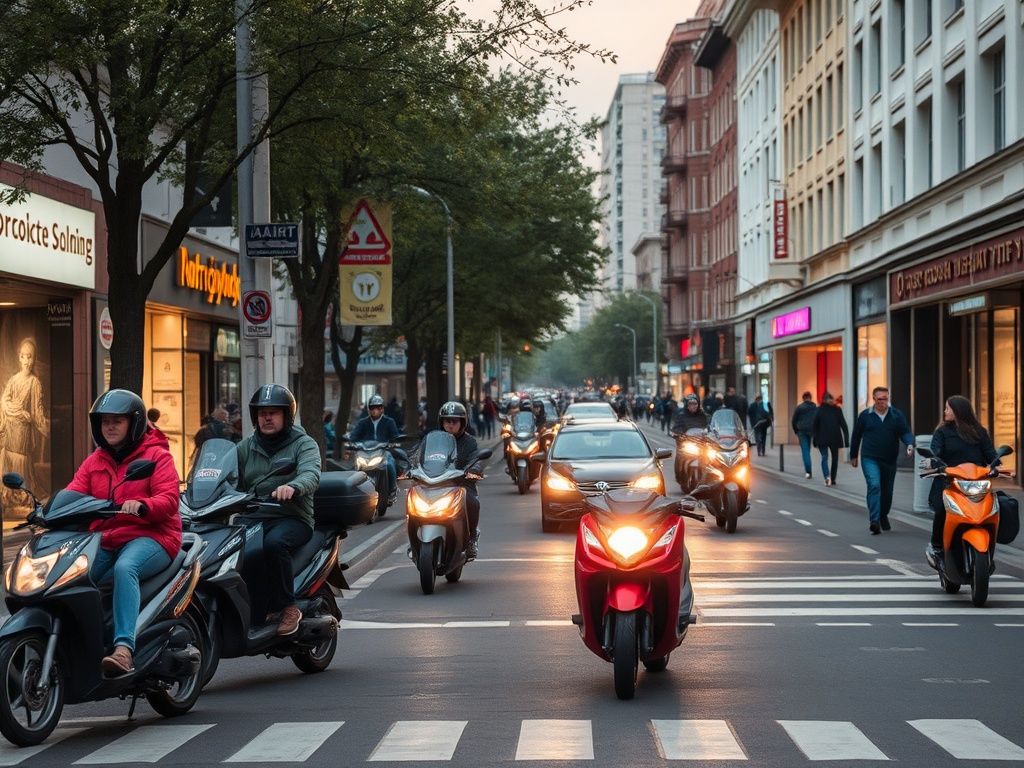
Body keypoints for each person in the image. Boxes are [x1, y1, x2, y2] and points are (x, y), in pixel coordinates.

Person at [65, 389, 181, 676]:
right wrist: (50, 509)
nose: (110, 427)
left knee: (125, 568)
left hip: (154, 536)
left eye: (118, 421)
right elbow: (73, 493)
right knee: (71, 575)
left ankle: (124, 649)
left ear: (135, 423)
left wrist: (142, 505)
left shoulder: (157, 457)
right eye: (105, 421)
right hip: (105, 539)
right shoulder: (95, 461)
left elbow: (170, 500)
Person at [236, 384, 321, 635]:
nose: (267, 418)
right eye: (262, 413)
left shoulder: (303, 444)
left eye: (274, 413)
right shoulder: (245, 447)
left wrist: (294, 486)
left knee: (273, 544)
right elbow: (227, 477)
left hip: (291, 517)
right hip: (252, 517)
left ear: (287, 416)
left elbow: (311, 473)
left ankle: (288, 607)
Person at [925, 395, 998, 563]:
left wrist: (995, 466)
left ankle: (988, 548)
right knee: (943, 509)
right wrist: (935, 462)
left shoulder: (979, 432)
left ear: (957, 411)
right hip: (949, 481)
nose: (945, 411)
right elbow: (935, 452)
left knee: (994, 506)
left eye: (948, 408)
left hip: (975, 482)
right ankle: (936, 547)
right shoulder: (942, 432)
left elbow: (991, 455)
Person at [849, 386, 914, 535]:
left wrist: (910, 445)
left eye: (885, 398)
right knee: (874, 485)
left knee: (887, 492)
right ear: (874, 399)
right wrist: (853, 455)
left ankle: (883, 514)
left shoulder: (896, 415)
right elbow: (856, 435)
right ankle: (875, 520)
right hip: (870, 457)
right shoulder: (865, 416)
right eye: (879, 399)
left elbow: (905, 432)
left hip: (889, 459)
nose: (883, 402)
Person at [0, 337, 50, 513]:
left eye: (30, 357)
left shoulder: (34, 383)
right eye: (23, 356)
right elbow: (4, 400)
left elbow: (37, 414)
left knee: (22, 471)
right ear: (19, 357)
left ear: (33, 359)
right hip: (10, 436)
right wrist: (16, 411)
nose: (26, 361)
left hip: (23, 437)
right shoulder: (13, 380)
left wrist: (49, 431)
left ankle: (20, 501)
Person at [437, 401, 484, 559]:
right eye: (446, 421)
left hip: (462, 484)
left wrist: (474, 470)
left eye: (454, 421)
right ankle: (415, 540)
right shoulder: (436, 440)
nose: (449, 425)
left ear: (462, 423)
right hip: (436, 484)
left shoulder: (469, 442)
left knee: (473, 502)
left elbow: (476, 458)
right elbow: (421, 456)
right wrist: (409, 467)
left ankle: (471, 538)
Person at [349, 393, 401, 505]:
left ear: (382, 409)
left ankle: (392, 490)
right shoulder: (363, 422)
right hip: (365, 452)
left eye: (377, 408)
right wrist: (352, 442)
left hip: (383, 451)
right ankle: (353, 493)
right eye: (371, 408)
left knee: (390, 464)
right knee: (354, 468)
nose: (374, 410)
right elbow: (354, 435)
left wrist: (393, 443)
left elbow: (395, 436)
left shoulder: (389, 422)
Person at [812, 391, 849, 486]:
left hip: (822, 437)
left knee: (824, 457)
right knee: (835, 459)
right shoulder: (837, 410)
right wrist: (846, 439)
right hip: (834, 437)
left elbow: (815, 426)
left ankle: (827, 477)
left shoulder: (819, 410)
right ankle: (833, 478)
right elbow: (843, 425)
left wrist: (815, 439)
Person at [791, 391, 818, 479]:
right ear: (810, 398)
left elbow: (794, 420)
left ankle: (808, 471)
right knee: (808, 450)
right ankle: (808, 469)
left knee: (805, 451)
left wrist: (795, 429)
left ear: (803, 398)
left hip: (801, 430)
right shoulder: (814, 407)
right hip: (811, 430)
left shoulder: (799, 407)